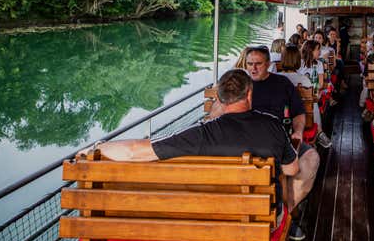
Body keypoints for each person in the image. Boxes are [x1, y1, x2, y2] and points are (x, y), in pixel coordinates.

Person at [78, 69, 298, 228]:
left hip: (206, 222)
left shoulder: (200, 134)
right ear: (250, 94)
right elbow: (291, 170)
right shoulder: (273, 126)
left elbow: (134, 151)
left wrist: (98, 147)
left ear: (219, 99)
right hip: (258, 223)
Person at [244, 46, 320, 240]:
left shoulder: (282, 83)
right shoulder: (240, 85)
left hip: (283, 138)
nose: (253, 68)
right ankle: (283, 218)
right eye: (250, 64)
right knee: (278, 172)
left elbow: (299, 113)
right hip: (246, 143)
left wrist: (298, 131)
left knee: (311, 158)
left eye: (258, 64)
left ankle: (285, 213)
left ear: (268, 64)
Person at [280, 45, 332, 148]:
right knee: (313, 103)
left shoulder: (276, 78)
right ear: (298, 60)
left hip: (279, 119)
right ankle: (319, 131)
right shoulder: (304, 80)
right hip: (302, 120)